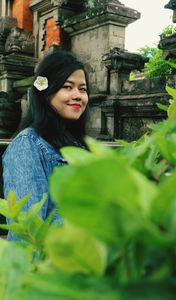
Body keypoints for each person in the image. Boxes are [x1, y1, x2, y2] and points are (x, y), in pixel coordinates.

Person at [2, 50, 89, 240]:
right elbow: (27, 233)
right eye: (67, 87)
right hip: (53, 264)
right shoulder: (28, 146)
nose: (78, 95)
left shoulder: (78, 145)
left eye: (83, 89)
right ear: (45, 93)